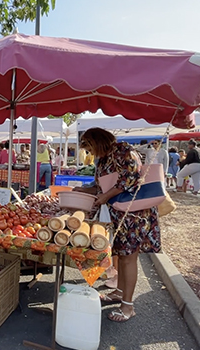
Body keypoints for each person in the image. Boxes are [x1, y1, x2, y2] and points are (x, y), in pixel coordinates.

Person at [74, 128, 160, 322]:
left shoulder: (125, 151)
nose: (91, 153)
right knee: (120, 254)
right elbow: (101, 184)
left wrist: (105, 196)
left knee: (129, 257)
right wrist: (85, 189)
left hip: (134, 214)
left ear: (98, 142)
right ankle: (120, 292)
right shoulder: (103, 159)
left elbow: (131, 179)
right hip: (118, 213)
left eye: (90, 148)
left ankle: (128, 307)